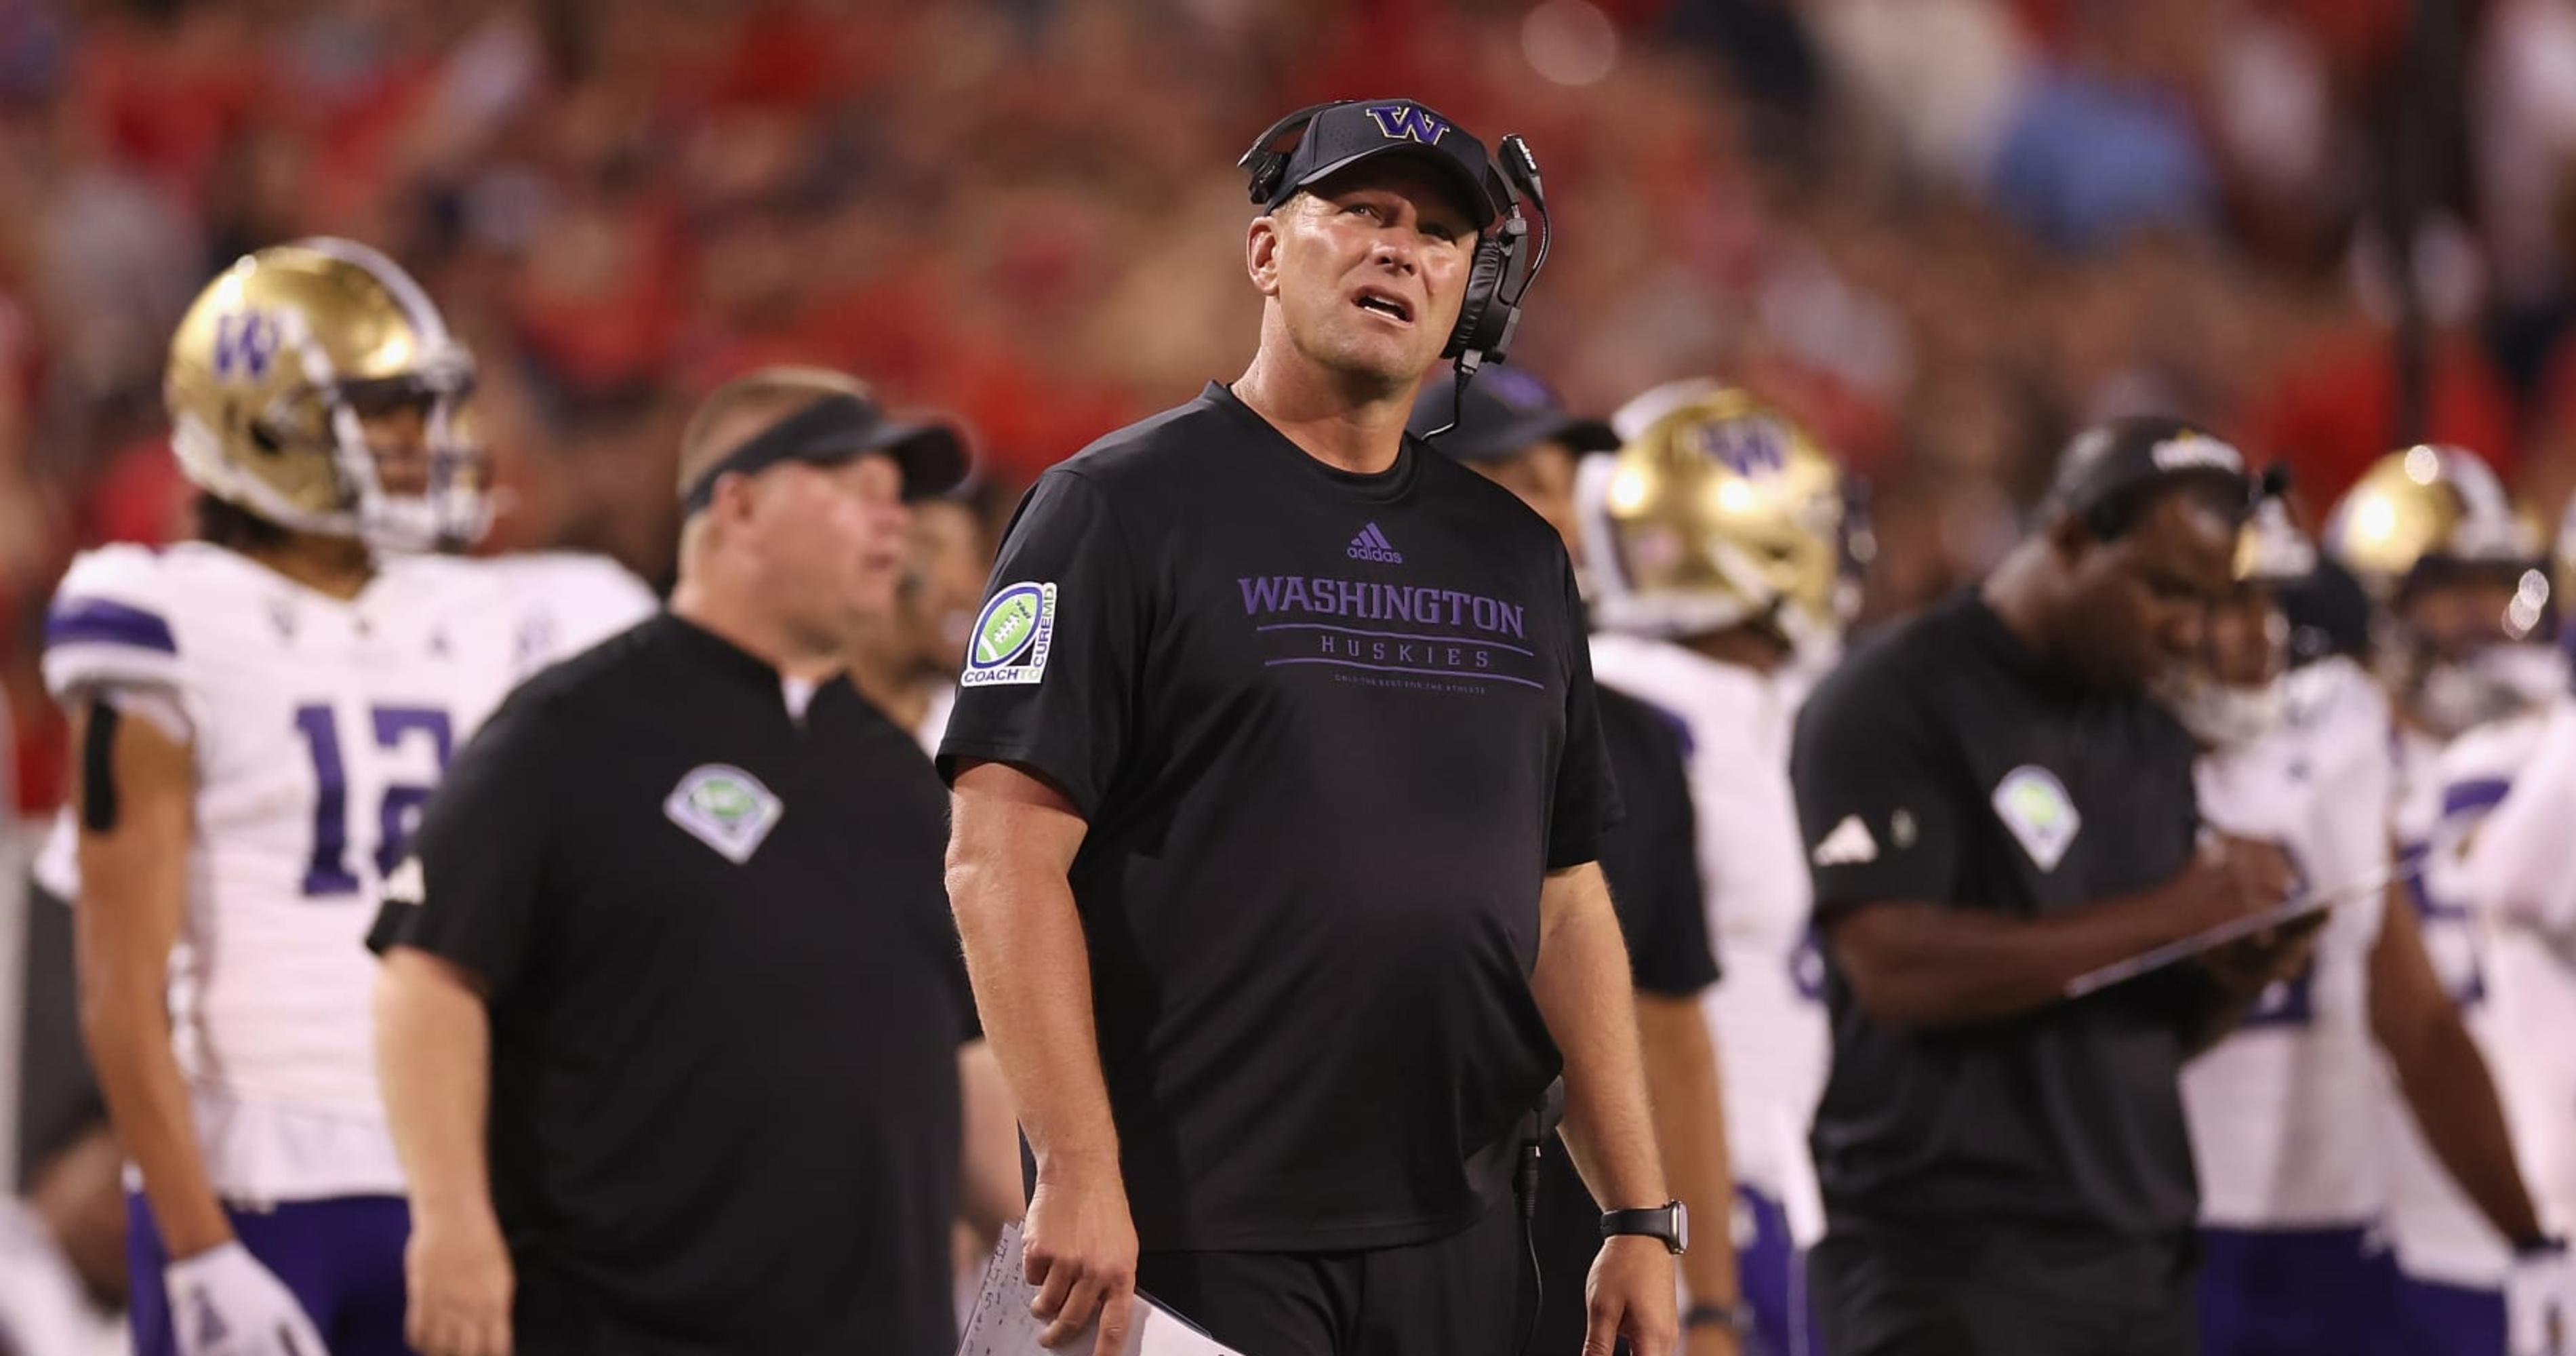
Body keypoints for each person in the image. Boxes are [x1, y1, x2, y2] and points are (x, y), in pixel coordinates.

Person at [938, 98, 1681, 1356]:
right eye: (1361, 212)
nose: (1401, 248)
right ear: (1268, 252)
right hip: (1184, 1219)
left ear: (1473, 296)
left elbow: (1564, 900)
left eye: (1442, 233)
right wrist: (1073, 1167)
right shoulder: (1113, 508)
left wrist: (1639, 1215)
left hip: (1461, 1228)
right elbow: (1000, 854)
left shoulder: (1515, 556)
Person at [46, 239, 653, 1356]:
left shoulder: (511, 613)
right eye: (383, 414)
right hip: (258, 1175)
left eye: (425, 411)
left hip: (466, 1167)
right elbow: (117, 990)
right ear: (261, 422)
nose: (424, 445)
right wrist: (198, 1245)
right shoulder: (172, 623)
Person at [367, 367, 986, 1356]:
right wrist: (452, 1223)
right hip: (622, 1325)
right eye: (858, 493)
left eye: (900, 501)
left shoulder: (904, 784)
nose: (896, 527)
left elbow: (962, 1056)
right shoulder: (572, 730)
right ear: (738, 505)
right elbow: (426, 975)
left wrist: (1064, 1220)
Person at [1791, 416, 2311, 1356]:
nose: (2188, 629)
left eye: (2207, 601)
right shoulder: (1891, 695)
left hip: (2137, 1271)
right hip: (1944, 1275)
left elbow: (2129, 1020)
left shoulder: (2144, 726)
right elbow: (1892, 969)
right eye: (2165, 590)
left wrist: (2232, 972)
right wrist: (2178, 910)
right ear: (2070, 536)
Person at [2169, 489, 2571, 1356]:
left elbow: (2417, 1024)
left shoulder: (2334, 749)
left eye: (2268, 602)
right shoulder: (2088, 765)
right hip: (2156, 1242)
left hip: (2344, 1248)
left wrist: (2529, 1239)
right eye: (2223, 602)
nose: (2257, 633)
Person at [1407, 370, 1742, 1355]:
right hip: (1374, 1223)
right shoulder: (1330, 690)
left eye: (1564, 481)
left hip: (1584, 1237)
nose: (1555, 508)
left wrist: (1709, 1298)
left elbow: (1671, 1029)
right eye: (1514, 474)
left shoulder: (1637, 735)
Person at [1577, 387, 1863, 1356]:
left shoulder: (1763, 698)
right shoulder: (1636, 706)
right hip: (1702, 1190)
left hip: (1782, 1175)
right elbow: (1646, 1000)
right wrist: (1704, 1294)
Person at [2324, 446, 2576, 1355]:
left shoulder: (2544, 756)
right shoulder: (2333, 772)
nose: (2488, 619)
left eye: (2507, 586)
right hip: (2400, 1213)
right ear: (2378, 608)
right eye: (2452, 591)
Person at [847, 486, 997, 754]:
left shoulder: (975, 730)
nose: (973, 585)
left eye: (972, 552)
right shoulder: (806, 705)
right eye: (931, 546)